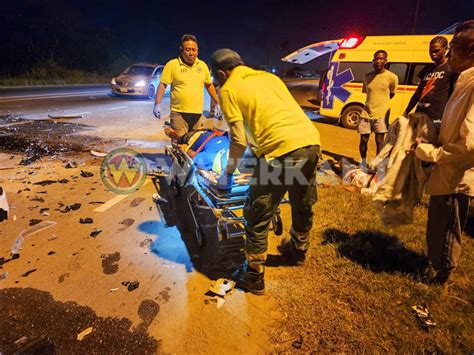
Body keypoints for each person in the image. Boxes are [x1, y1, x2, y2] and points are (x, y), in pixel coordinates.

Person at [210, 49, 321, 295]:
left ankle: (254, 275)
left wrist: (227, 174)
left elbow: (238, 140)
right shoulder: (269, 78)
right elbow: (272, 118)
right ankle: (298, 250)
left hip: (281, 154)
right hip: (311, 142)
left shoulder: (228, 89)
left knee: (257, 212)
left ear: (220, 74)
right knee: (302, 200)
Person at [415, 19, 474, 285]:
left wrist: (431, 152)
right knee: (438, 223)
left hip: (456, 176)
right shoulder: (462, 81)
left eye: (454, 46)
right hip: (446, 171)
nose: (449, 52)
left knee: (448, 227)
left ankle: (442, 277)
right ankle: (438, 265)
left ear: (471, 51)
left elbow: (469, 144)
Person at [153, 34, 219, 138]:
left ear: (197, 51)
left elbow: (209, 86)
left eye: (194, 50)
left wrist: (218, 102)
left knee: (196, 144)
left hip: (198, 114)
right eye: (187, 49)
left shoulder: (202, 66)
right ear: (181, 49)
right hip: (179, 114)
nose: (191, 53)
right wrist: (157, 104)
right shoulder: (172, 65)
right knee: (179, 144)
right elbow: (162, 85)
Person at [403, 36, 458, 126]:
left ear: (446, 49)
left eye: (436, 51)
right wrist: (406, 111)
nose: (433, 54)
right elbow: (417, 93)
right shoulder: (427, 69)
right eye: (431, 51)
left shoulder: (451, 68)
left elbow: (454, 95)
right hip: (419, 113)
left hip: (436, 117)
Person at [358, 50, 398, 170]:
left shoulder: (392, 77)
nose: (378, 61)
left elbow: (392, 94)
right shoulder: (367, 77)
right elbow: (368, 93)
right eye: (376, 59)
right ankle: (363, 164)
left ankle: (377, 166)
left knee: (379, 142)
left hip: (381, 114)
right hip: (366, 112)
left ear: (386, 60)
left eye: (381, 59)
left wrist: (381, 105)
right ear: (373, 60)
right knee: (363, 140)